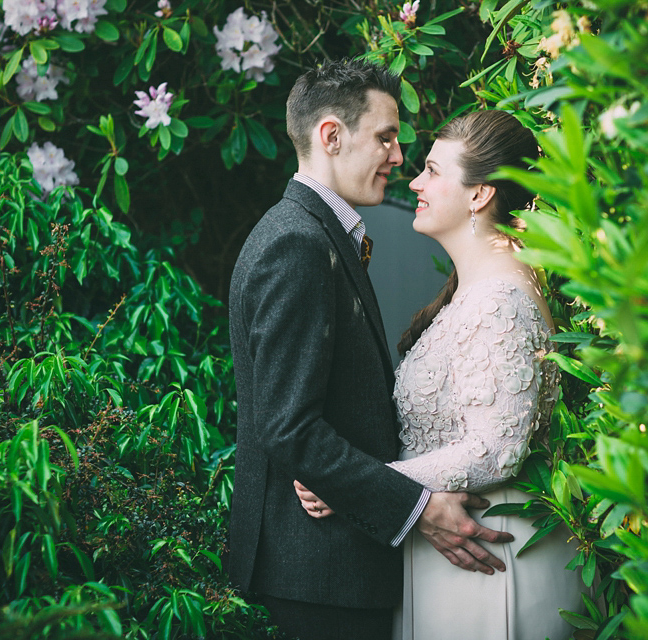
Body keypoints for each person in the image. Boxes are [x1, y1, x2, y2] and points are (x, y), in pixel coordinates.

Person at [227, 60, 515, 640]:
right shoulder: (297, 244)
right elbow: (291, 429)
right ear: (331, 136)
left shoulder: (317, 234)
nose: (398, 157)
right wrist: (418, 506)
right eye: (385, 137)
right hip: (317, 570)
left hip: (331, 565)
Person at [296, 110, 585, 639]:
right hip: (456, 548)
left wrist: (357, 484)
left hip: (491, 558)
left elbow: (495, 448)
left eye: (432, 170)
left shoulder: (499, 300)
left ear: (479, 195)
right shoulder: (476, 290)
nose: (415, 181)